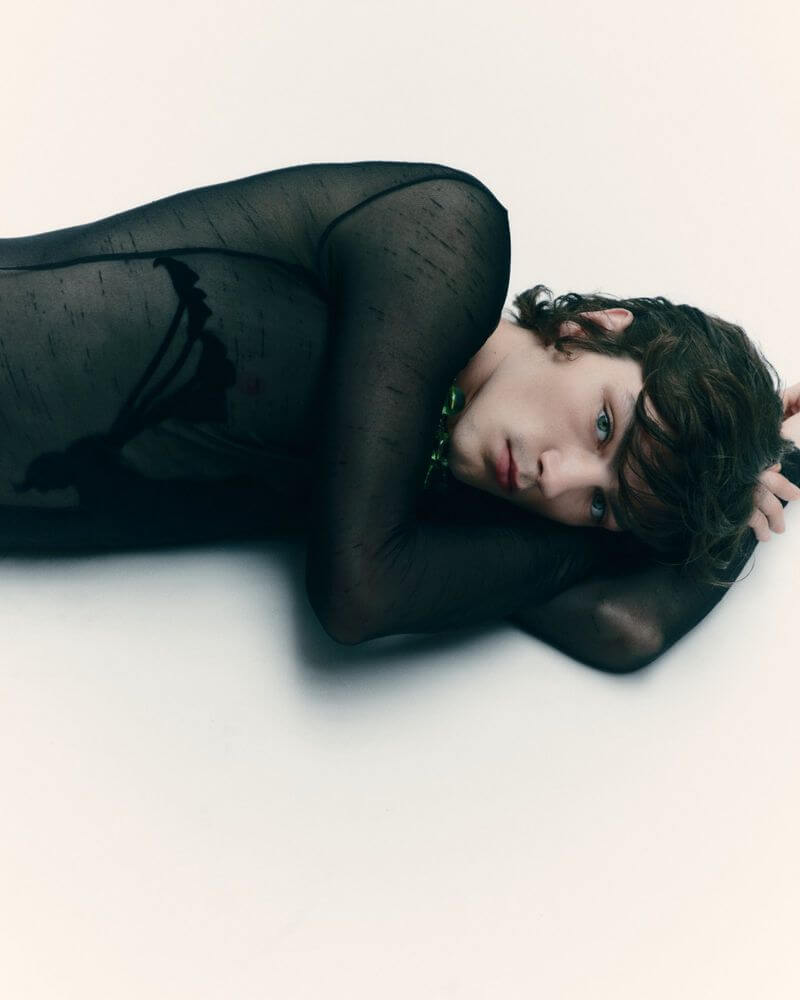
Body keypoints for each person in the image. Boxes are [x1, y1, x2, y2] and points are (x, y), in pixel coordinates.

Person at [0, 160, 797, 671]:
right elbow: (361, 594)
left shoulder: (427, 494)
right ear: (593, 327)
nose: (557, 477)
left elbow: (625, 627)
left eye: (598, 502)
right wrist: (611, 536)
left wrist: (755, 480)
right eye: (603, 428)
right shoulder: (444, 235)